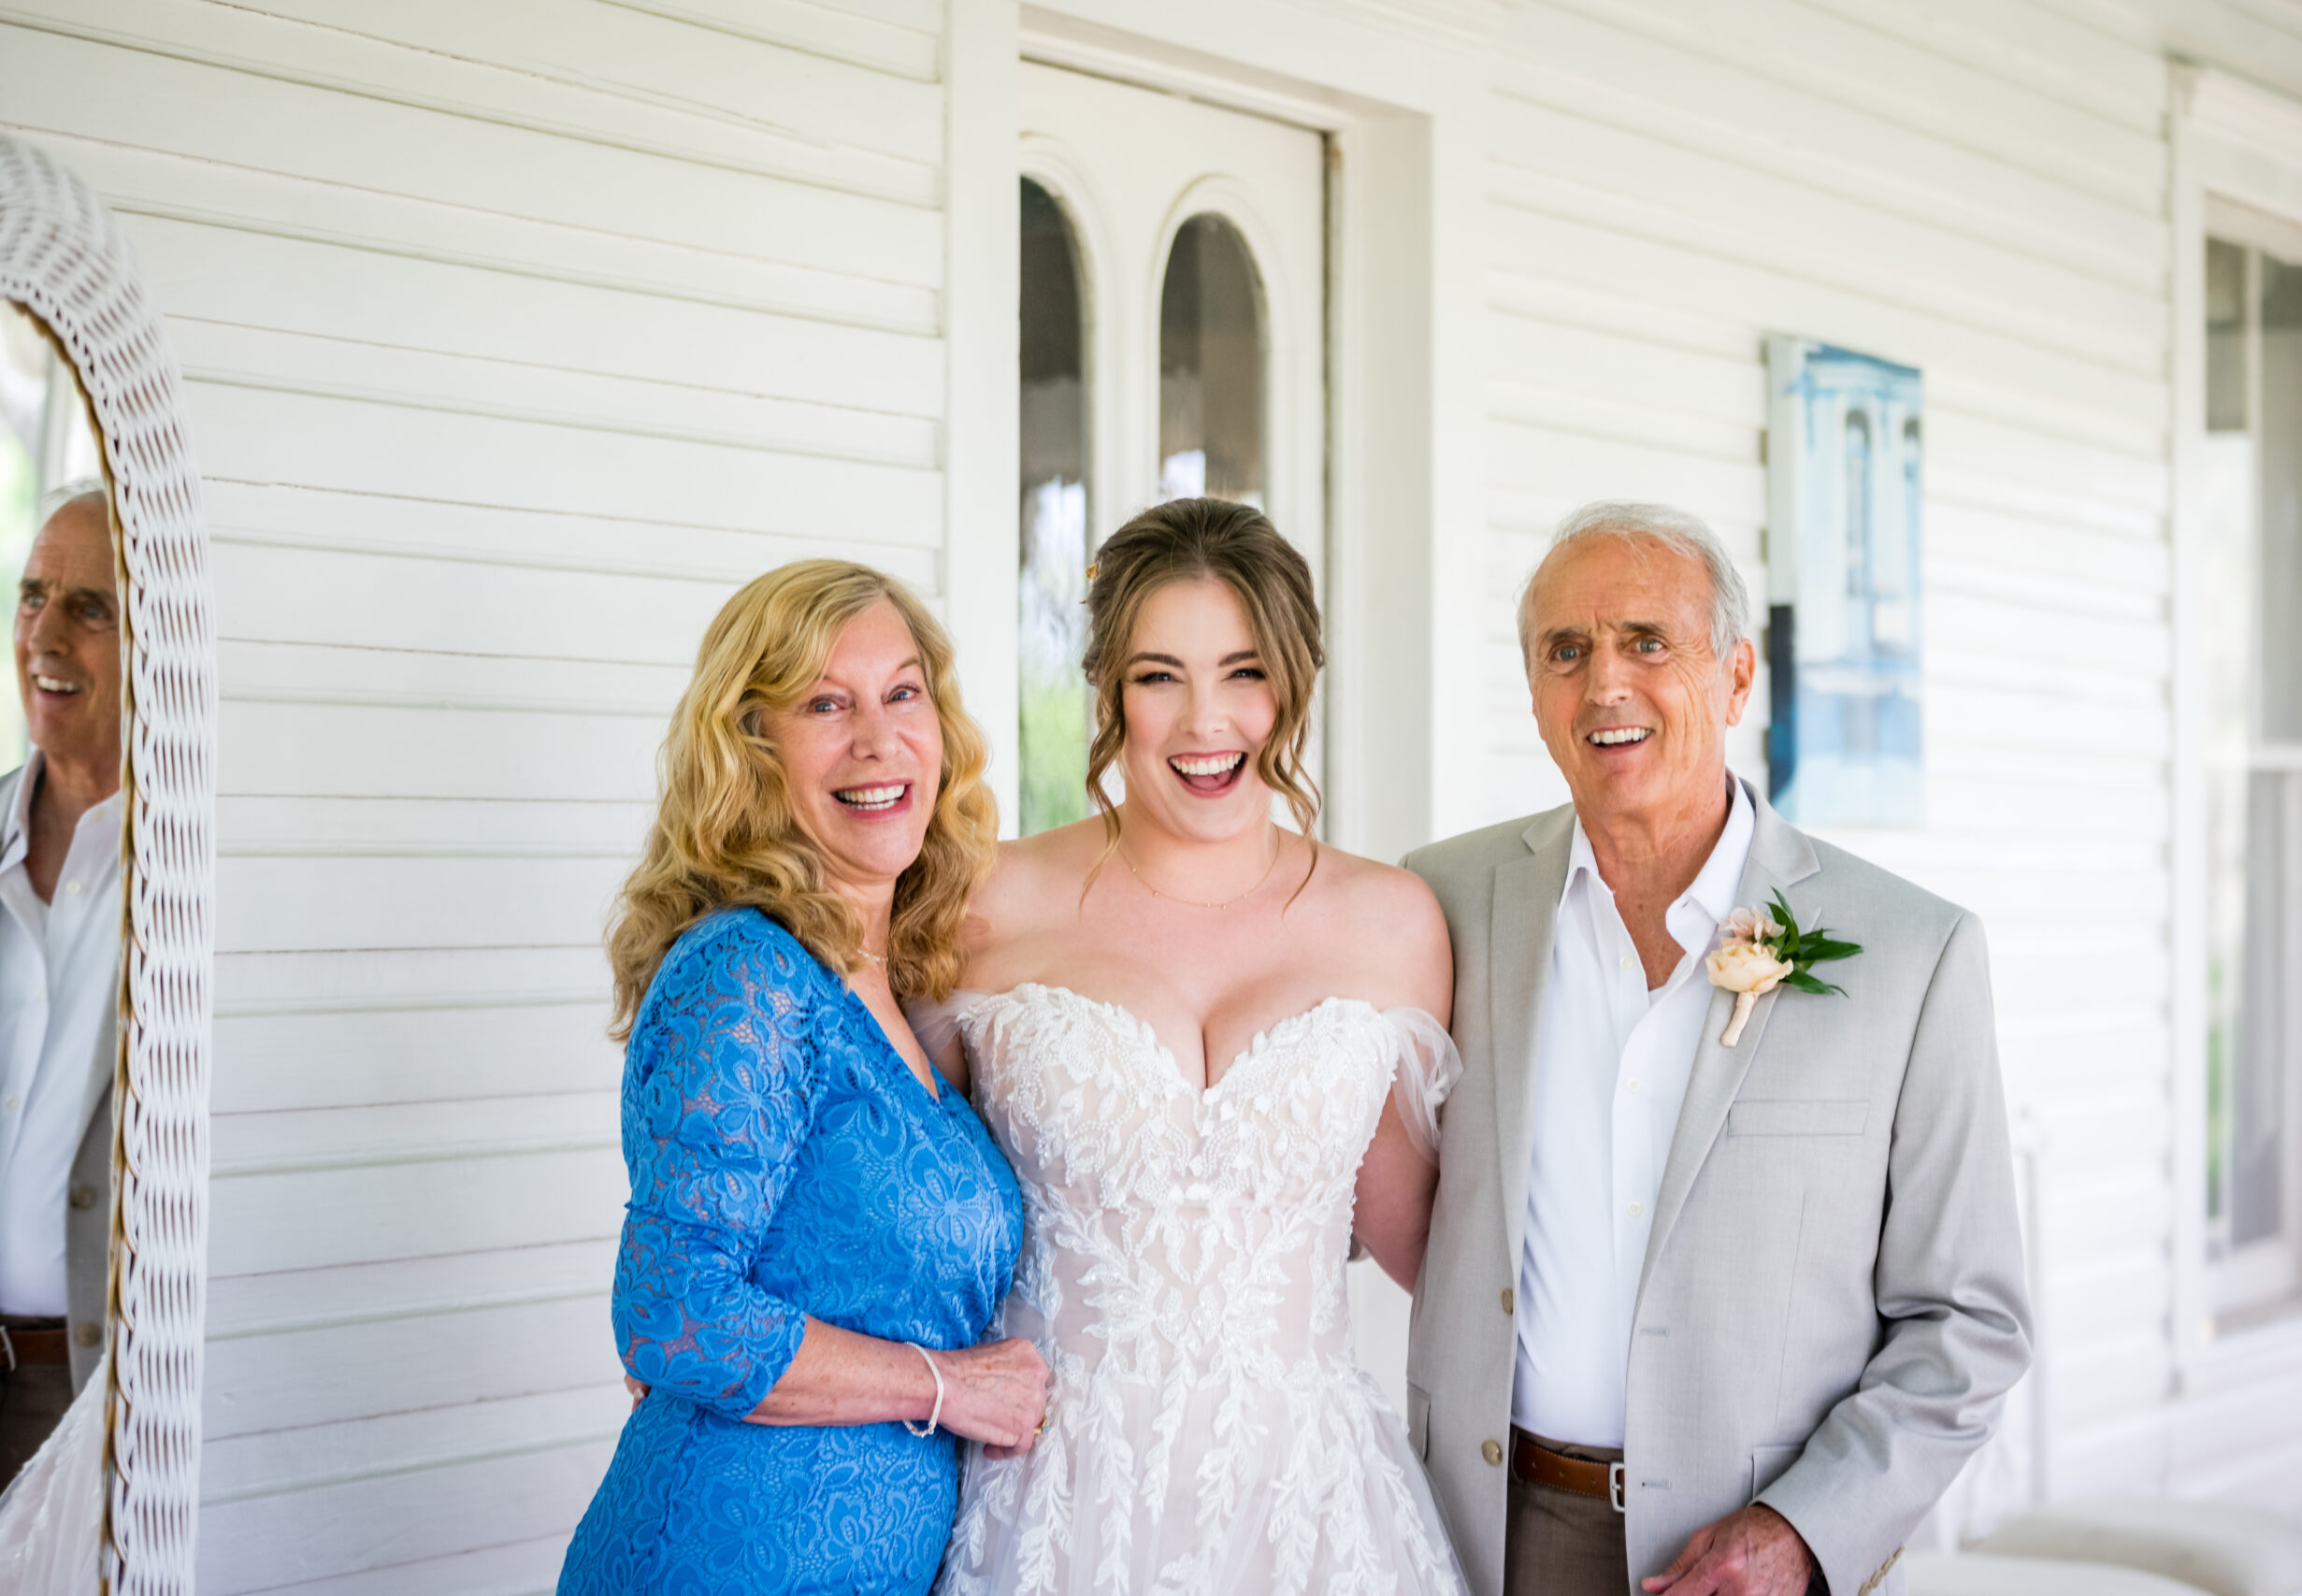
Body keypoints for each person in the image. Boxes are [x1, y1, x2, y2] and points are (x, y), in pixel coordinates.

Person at [1403, 502, 2032, 1596]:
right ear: (1536, 692)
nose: (1604, 684)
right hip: (1487, 1536)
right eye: (1566, 650)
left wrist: (1802, 1531)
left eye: (1647, 642)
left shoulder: (1912, 952)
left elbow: (1967, 1323)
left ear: (1736, 677)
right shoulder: (1438, 904)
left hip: (1750, 1561)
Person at [917, 498, 1469, 1596]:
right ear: (1108, 690)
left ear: (1295, 683)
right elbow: (904, 1200)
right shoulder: (981, 902)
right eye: (1159, 676)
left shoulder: (1394, 923)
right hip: (1049, 1496)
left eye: (1244, 672)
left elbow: (1428, 1246)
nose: (1205, 722)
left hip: (1310, 1512)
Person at [557, 561, 1048, 1596]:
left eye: (902, 693)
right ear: (753, 748)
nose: (877, 739)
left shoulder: (885, 986)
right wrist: (945, 1386)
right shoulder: (748, 969)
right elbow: (670, 1310)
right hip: (723, 1559)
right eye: (826, 704)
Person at [0, 486, 121, 1488]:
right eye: (33, 594)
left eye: (89, 609)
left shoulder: (187, 878)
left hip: (80, 1395)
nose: (44, 633)